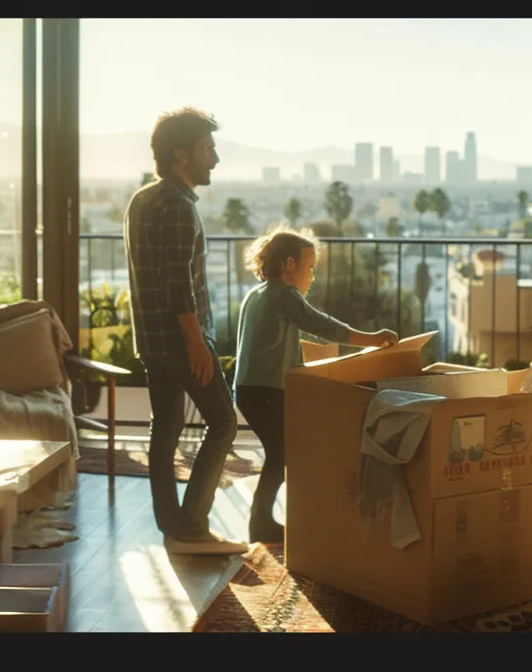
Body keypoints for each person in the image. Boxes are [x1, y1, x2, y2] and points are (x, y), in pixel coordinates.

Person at [123, 107, 246, 555]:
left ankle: (173, 527)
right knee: (224, 423)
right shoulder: (177, 205)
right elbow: (178, 282)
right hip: (180, 340)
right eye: (207, 150)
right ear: (181, 156)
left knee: (166, 428)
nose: (214, 159)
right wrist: (196, 341)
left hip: (152, 340)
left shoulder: (143, 199)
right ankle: (192, 526)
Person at [233, 228, 396, 543]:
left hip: (249, 389)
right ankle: (263, 524)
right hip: (266, 390)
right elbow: (322, 325)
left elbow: (275, 346)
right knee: (282, 455)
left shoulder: (257, 294)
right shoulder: (284, 294)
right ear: (289, 264)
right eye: (310, 267)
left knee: (280, 454)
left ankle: (264, 522)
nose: (312, 276)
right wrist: (372, 340)